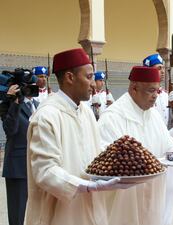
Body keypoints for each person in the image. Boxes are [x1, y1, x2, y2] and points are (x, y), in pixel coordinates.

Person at [25, 48, 134, 225]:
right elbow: (44, 171)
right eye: (89, 77)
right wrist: (86, 186)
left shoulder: (85, 111)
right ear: (70, 77)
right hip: (61, 214)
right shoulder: (47, 116)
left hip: (91, 207)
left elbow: (95, 156)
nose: (94, 84)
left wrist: (123, 163)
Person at [97, 66, 173, 225]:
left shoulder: (153, 114)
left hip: (153, 190)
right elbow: (104, 157)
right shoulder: (113, 117)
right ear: (134, 88)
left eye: (157, 91)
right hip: (126, 197)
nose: (156, 96)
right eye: (151, 90)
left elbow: (168, 143)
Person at [143, 53, 173, 225]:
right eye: (158, 69)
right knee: (154, 194)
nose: (163, 71)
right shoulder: (144, 97)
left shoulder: (165, 94)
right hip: (155, 148)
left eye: (163, 69)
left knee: (171, 189)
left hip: (169, 147)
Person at [1, 84, 39, 225]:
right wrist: (14, 102)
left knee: (37, 211)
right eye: (28, 86)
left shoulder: (38, 104)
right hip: (17, 168)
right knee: (18, 214)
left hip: (36, 164)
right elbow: (10, 130)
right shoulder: (9, 104)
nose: (30, 89)